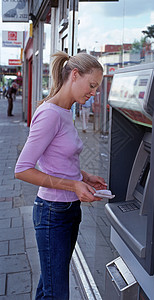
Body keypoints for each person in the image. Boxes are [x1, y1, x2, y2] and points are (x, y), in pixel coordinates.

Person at [14, 51, 107, 300]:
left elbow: (57, 157)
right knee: (56, 293)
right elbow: (22, 169)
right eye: (91, 85)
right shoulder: (50, 113)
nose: (93, 93)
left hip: (67, 210)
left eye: (96, 88)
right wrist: (73, 184)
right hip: (52, 213)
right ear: (74, 75)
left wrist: (83, 177)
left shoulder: (66, 111)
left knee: (49, 287)